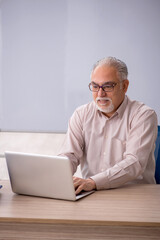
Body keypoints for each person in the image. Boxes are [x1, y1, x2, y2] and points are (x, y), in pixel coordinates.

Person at [58, 57, 158, 195]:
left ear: (125, 86)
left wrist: (93, 182)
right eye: (95, 86)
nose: (100, 94)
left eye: (108, 86)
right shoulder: (81, 114)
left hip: (135, 195)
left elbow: (134, 163)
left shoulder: (143, 115)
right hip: (91, 193)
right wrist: (56, 177)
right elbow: (69, 155)